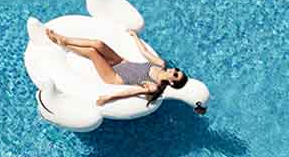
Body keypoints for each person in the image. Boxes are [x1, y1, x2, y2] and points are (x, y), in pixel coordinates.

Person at [44, 26, 188, 107]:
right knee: (98, 44)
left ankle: (62, 43)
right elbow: (144, 52)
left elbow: (132, 92)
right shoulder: (161, 64)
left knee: (92, 52)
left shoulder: (154, 86)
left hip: (114, 76)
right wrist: (135, 36)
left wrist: (108, 98)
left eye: (175, 74)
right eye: (177, 70)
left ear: (171, 82)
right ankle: (64, 39)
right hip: (121, 62)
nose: (174, 70)